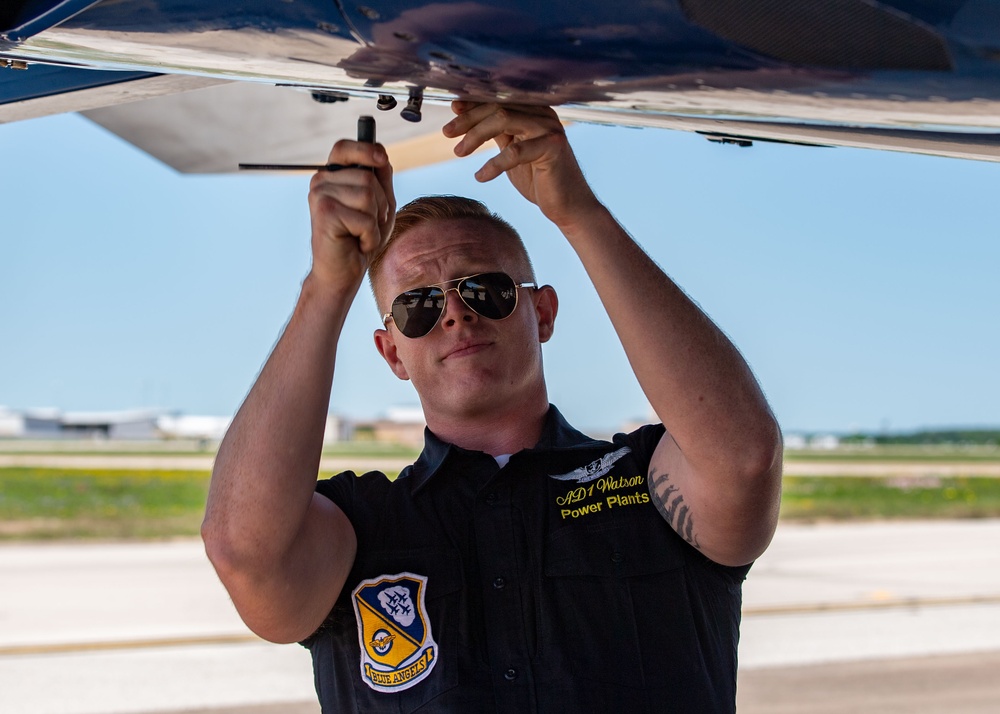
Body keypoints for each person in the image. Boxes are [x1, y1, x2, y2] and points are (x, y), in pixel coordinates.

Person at [202, 102, 783, 713]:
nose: (455, 312)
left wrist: (578, 213)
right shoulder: (361, 528)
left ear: (544, 313)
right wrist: (327, 286)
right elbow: (245, 551)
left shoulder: (647, 485)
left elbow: (743, 459)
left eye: (486, 289)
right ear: (392, 352)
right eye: (418, 306)